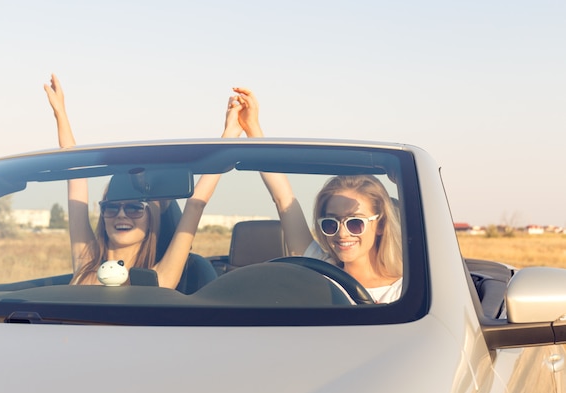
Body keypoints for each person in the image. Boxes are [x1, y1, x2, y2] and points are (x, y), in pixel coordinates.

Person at [44, 74, 242, 287]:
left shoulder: (158, 277)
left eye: (134, 207)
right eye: (111, 208)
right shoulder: (86, 262)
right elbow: (76, 179)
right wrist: (60, 114)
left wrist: (229, 134)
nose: (121, 215)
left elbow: (196, 203)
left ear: (151, 219)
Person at [227, 87, 403, 303]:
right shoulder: (318, 267)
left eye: (355, 223)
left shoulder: (403, 292)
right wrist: (252, 127)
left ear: (381, 225)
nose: (342, 234)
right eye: (330, 223)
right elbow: (283, 199)